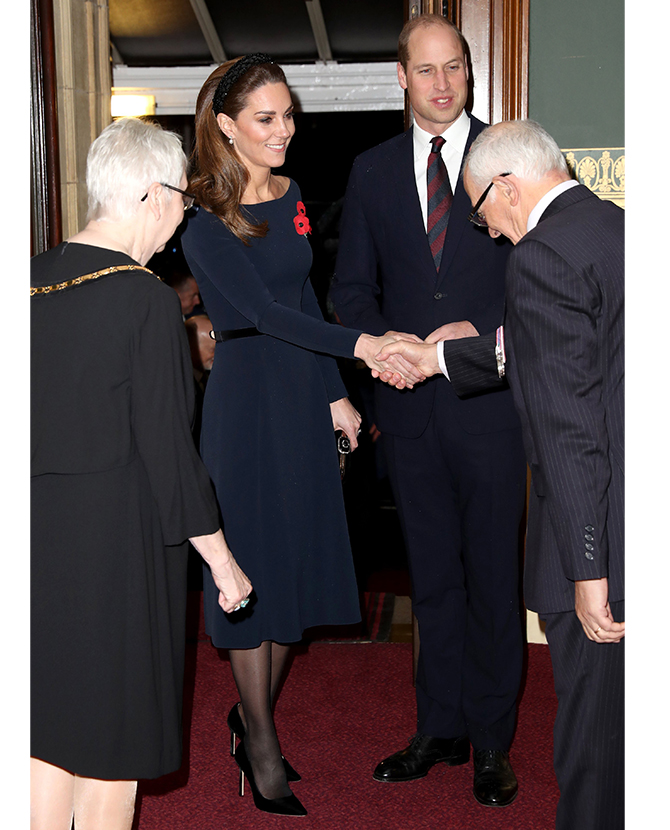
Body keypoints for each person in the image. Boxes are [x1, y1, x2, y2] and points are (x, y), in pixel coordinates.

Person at [180, 54, 421, 818]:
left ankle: (246, 718)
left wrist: (334, 401)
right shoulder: (201, 219)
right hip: (247, 407)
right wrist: (361, 350)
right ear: (225, 126)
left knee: (293, 569)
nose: (285, 131)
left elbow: (305, 295)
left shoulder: (290, 195)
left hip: (300, 394)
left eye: (289, 116)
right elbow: (258, 313)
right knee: (252, 575)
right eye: (266, 118)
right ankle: (260, 742)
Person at [378, 119, 625, 830]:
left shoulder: (541, 256)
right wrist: (439, 360)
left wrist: (588, 569)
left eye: (484, 213)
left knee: (595, 746)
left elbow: (571, 429)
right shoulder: (614, 228)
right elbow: (563, 346)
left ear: (507, 186)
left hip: (601, 535)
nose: (488, 233)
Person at [30, 117, 251, 830]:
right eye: (183, 203)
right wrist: (222, 562)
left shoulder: (26, 283)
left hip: (31, 542)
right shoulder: (147, 300)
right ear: (152, 195)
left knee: (41, 730)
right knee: (109, 741)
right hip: (114, 551)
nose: (181, 220)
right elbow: (168, 451)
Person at [329, 14, 527, 807]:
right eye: (427, 70)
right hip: (407, 412)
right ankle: (437, 728)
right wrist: (379, 350)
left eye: (455, 68)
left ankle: (491, 742)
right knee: (433, 581)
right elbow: (350, 289)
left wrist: (475, 335)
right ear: (401, 78)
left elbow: (535, 275)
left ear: (469, 74)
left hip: (489, 406)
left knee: (491, 578)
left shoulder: (510, 159)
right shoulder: (373, 172)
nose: (442, 83)